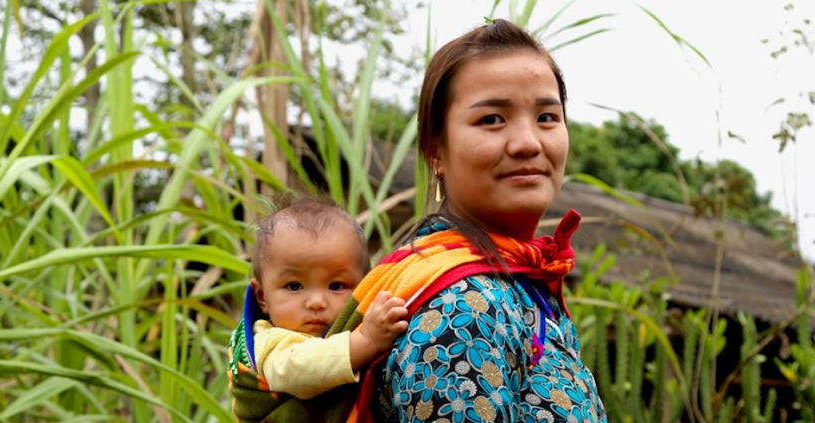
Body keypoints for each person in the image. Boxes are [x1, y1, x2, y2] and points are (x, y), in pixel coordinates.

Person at [328, 19, 607, 422]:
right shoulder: (463, 311)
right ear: (435, 151)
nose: (528, 142)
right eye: (492, 119)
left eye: (547, 117)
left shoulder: (520, 285)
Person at [228, 197, 409, 422]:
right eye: (294, 286)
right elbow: (300, 370)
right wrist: (367, 341)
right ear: (262, 297)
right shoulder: (268, 340)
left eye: (336, 286)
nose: (316, 302)